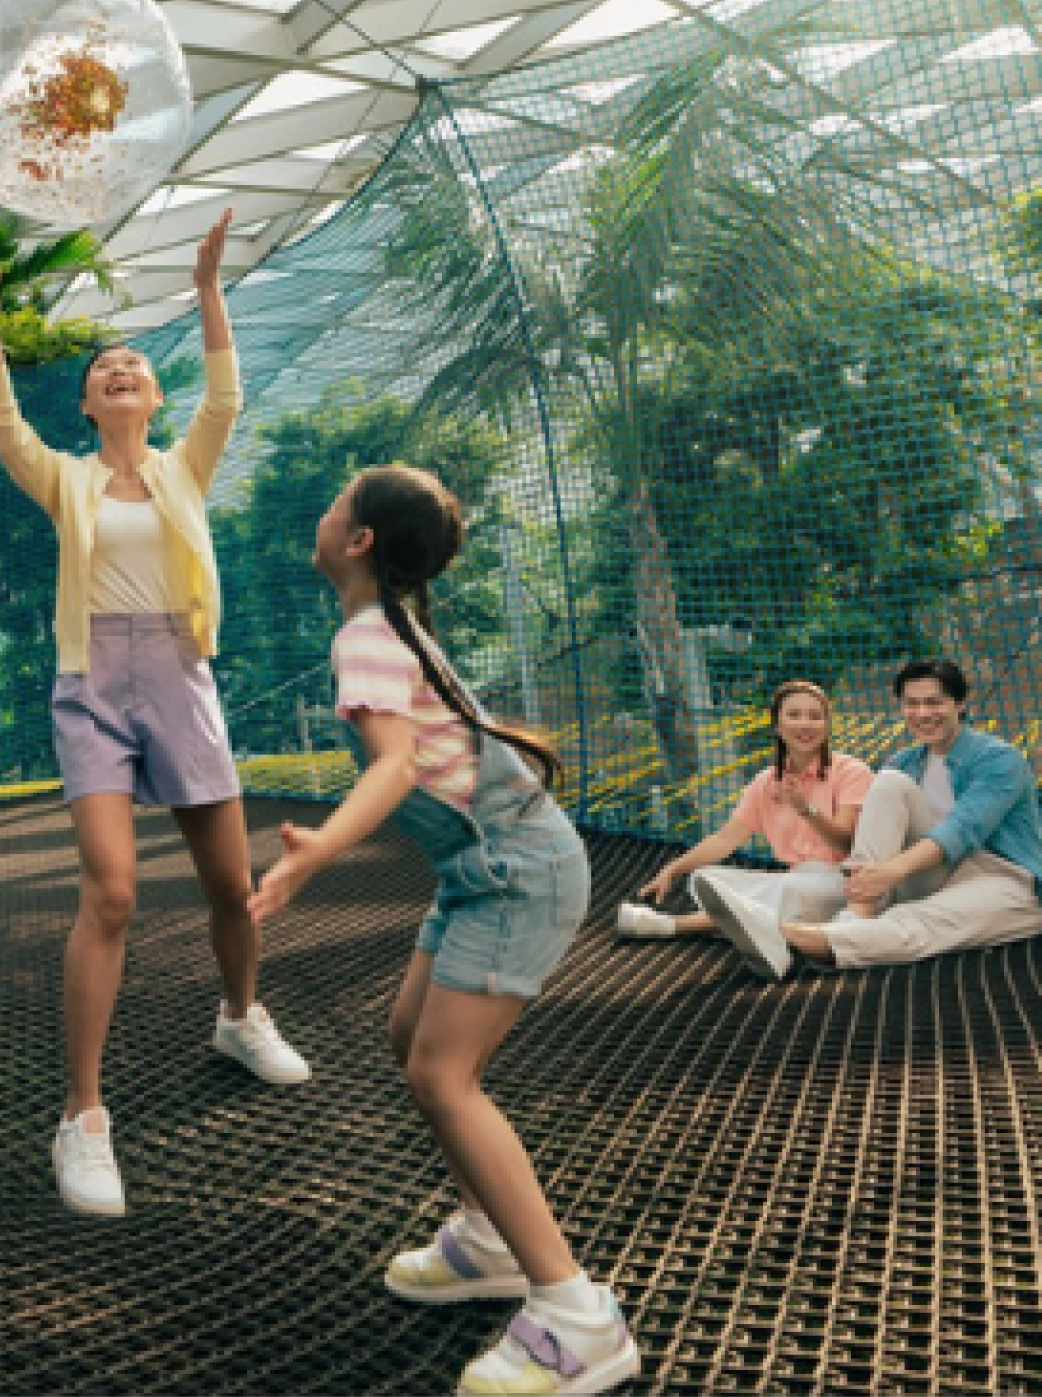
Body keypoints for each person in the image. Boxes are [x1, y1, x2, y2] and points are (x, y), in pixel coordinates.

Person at [0, 209, 309, 1220]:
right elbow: (1, 424)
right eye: (104, 364)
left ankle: (240, 1014)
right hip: (93, 680)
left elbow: (226, 396)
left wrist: (206, 291)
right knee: (109, 892)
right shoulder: (64, 477)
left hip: (181, 671)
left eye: (135, 363)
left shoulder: (183, 465)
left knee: (231, 889)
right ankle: (85, 1114)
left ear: (151, 397)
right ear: (87, 400)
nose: (120, 368)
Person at [254, 465, 639, 1397]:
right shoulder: (386, 625)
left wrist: (316, 853)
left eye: (335, 499)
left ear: (358, 542)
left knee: (441, 1075)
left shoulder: (366, 634)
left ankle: (576, 1317)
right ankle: (486, 1242)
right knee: (407, 1039)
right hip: (481, 871)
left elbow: (390, 769)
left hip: (512, 873)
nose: (325, 506)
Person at [700, 657, 1042, 981]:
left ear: (960, 703)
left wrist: (888, 874)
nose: (922, 714)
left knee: (920, 920)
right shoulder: (903, 764)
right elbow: (878, 837)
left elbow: (961, 830)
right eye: (911, 704)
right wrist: (872, 877)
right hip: (924, 873)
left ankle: (785, 937)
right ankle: (858, 915)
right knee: (887, 784)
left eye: (935, 702)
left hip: (1003, 879)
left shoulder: (999, 759)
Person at [613, 680, 870, 943]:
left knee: (786, 890)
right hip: (795, 879)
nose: (805, 724)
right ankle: (762, 926)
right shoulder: (765, 783)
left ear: (826, 726)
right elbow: (725, 840)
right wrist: (673, 869)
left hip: (842, 881)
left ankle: (670, 925)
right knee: (704, 878)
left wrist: (806, 809)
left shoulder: (851, 772)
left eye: (815, 716)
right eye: (794, 715)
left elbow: (845, 842)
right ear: (778, 726)